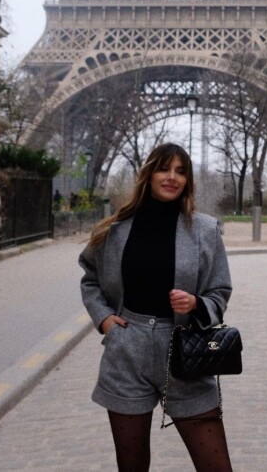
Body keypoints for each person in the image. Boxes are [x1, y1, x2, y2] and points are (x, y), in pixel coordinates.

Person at [79, 143, 234, 472]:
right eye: (164, 169)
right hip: (127, 349)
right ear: (148, 174)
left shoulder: (205, 230)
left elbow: (220, 289)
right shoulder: (115, 230)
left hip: (184, 350)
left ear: (187, 180)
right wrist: (104, 319)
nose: (172, 177)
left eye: (181, 171)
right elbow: (90, 278)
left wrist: (196, 304)